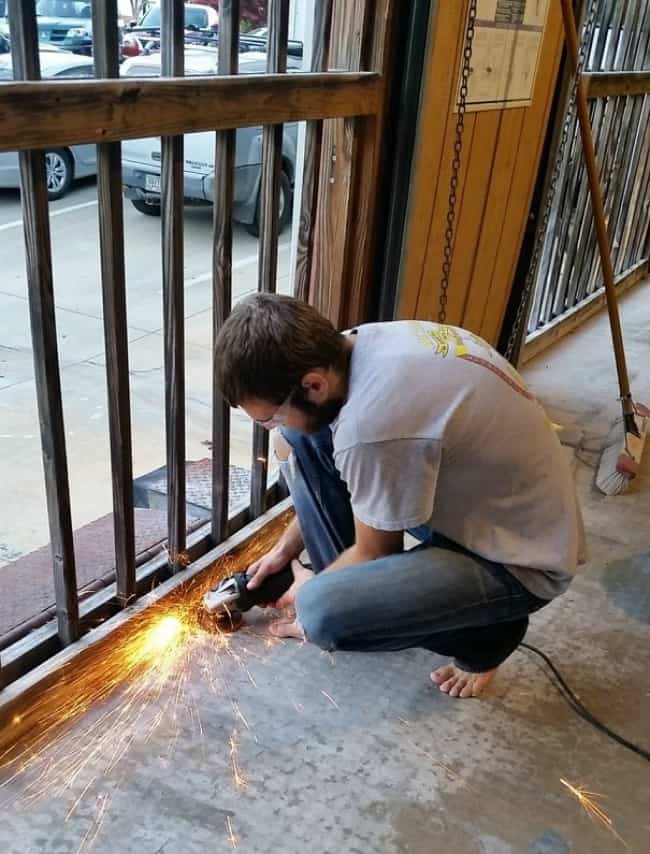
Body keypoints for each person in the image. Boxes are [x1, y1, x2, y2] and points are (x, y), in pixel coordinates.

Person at [215, 293, 584, 699]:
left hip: (519, 558)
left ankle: (490, 636)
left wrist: (305, 594)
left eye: (269, 417)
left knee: (323, 614)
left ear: (313, 385)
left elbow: (376, 552)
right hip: (476, 500)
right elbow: (357, 464)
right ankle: (354, 586)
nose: (271, 426)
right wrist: (285, 550)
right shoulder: (354, 348)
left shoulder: (373, 427)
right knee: (301, 436)